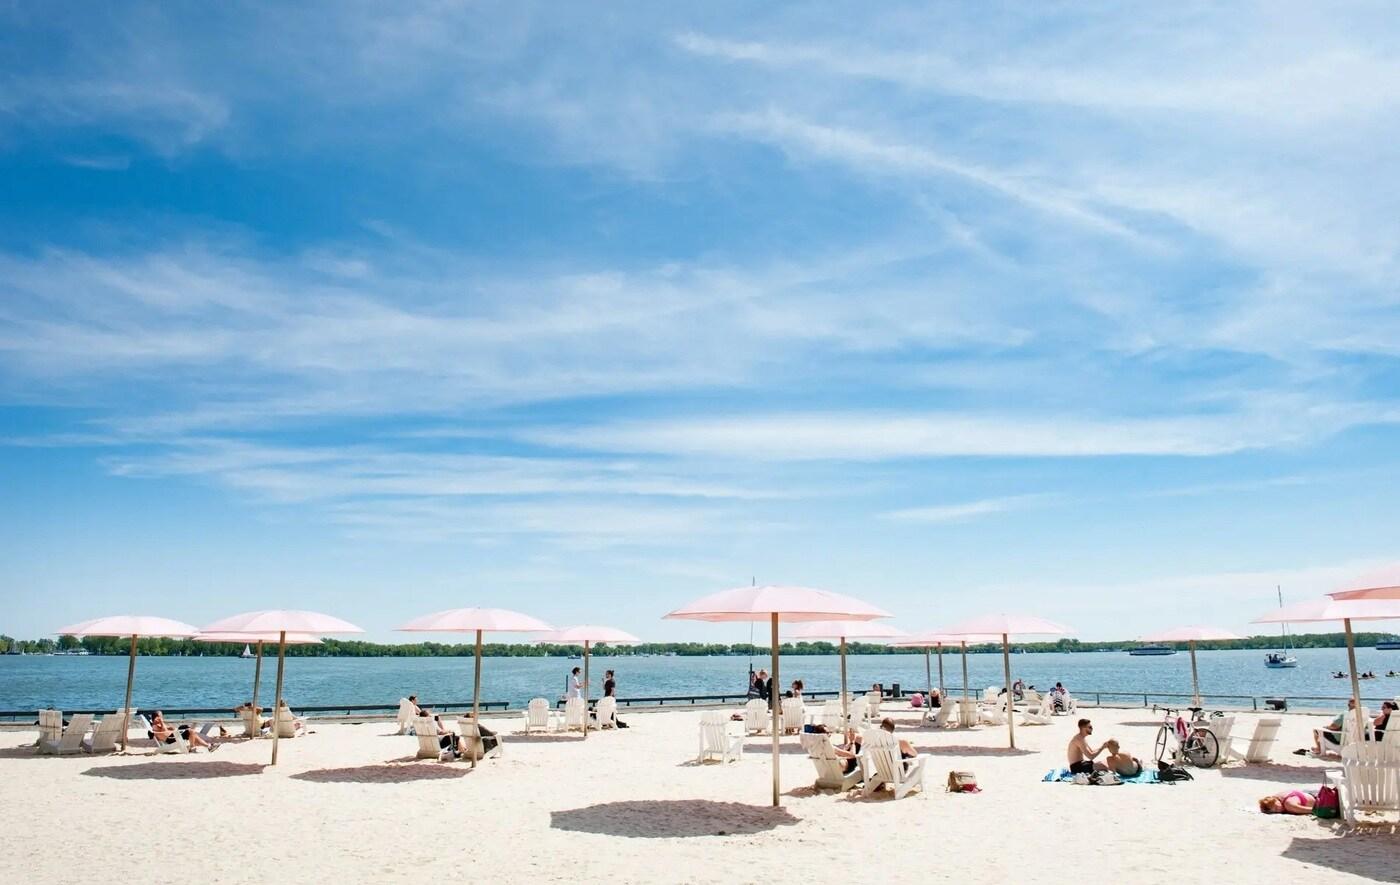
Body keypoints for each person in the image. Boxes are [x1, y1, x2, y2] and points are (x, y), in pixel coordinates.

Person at [148, 710, 215, 751]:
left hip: (173, 735)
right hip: (171, 739)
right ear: (156, 717)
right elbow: (165, 731)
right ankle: (192, 747)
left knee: (190, 731)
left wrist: (171, 728)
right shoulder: (155, 725)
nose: (162, 717)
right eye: (160, 716)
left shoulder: (157, 724)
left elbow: (166, 729)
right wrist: (162, 722)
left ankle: (208, 746)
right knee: (191, 731)